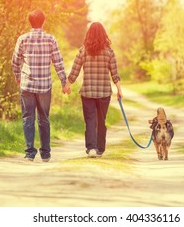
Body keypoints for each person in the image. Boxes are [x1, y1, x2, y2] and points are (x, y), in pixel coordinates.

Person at [12, 9, 67, 162]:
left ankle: (30, 152)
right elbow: (58, 62)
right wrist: (64, 82)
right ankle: (45, 153)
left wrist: (17, 76)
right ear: (43, 21)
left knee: (28, 117)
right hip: (44, 86)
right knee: (44, 118)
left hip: (27, 84)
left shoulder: (22, 39)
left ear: (30, 21)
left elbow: (15, 61)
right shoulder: (51, 39)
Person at [64, 22, 123, 158]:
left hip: (88, 92)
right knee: (101, 120)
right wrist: (119, 90)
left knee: (90, 119)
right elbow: (115, 74)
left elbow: (75, 71)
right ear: (104, 35)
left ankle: (91, 148)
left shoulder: (83, 51)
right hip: (104, 93)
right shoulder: (109, 52)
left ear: (88, 34)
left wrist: (67, 85)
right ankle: (100, 149)